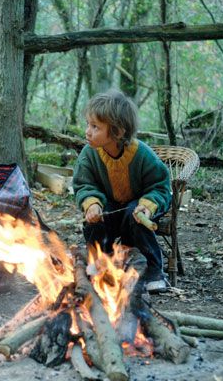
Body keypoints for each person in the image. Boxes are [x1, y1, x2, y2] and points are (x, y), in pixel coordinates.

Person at [72, 90, 172, 293]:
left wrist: (147, 206)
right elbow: (84, 184)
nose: (87, 132)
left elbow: (161, 186)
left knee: (134, 214)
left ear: (117, 132)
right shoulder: (89, 154)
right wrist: (92, 204)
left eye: (95, 127)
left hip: (138, 205)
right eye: (88, 125)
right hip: (109, 206)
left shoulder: (142, 154)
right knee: (95, 221)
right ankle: (101, 265)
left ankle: (154, 271)